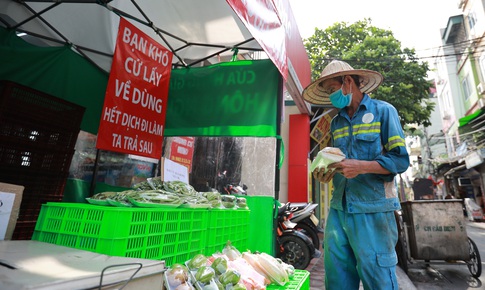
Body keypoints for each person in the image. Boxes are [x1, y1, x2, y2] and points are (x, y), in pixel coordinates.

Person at [302, 60, 410, 290]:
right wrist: (327, 173)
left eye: (333, 89)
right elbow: (339, 161)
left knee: (378, 278)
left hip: (374, 209)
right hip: (339, 210)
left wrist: (361, 166)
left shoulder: (384, 111)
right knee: (337, 279)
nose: (332, 97)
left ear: (348, 82)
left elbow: (400, 160)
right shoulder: (336, 122)